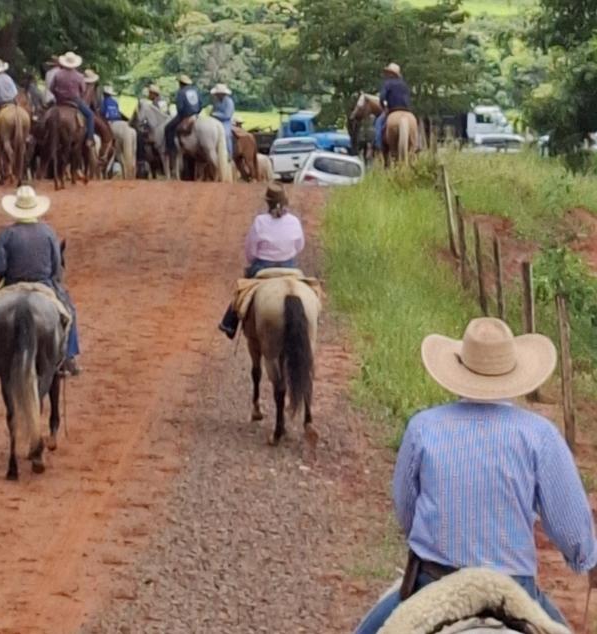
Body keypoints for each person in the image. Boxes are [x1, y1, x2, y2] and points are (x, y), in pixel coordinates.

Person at [355, 317, 597, 633]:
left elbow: (406, 508)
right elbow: (571, 526)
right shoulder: (540, 435)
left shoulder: (424, 427)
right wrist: (586, 560)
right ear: (514, 372)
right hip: (514, 590)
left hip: (434, 583)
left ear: (460, 368)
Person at [0, 186, 81, 375]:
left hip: (12, 285)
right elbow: (56, 267)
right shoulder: (48, 232)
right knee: (70, 312)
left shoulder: (7, 234)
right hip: (44, 284)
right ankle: (67, 357)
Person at [218, 183, 304, 339]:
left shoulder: (260, 221)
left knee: (242, 291)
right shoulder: (294, 221)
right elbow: (299, 246)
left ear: (267, 202)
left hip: (263, 267)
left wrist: (256, 260)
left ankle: (229, 323)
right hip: (290, 266)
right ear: (285, 201)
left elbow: (250, 251)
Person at [49, 51, 95, 145]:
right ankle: (90, 139)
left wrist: (58, 95)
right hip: (75, 101)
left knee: (44, 114)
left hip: (59, 101)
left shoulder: (58, 74)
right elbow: (83, 90)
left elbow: (52, 88)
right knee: (90, 115)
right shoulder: (79, 76)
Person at [375, 62, 411, 152]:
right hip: (406, 110)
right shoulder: (404, 85)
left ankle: (378, 145)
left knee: (378, 122)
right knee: (414, 123)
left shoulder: (387, 83)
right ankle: (417, 144)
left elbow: (382, 97)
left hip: (393, 110)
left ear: (391, 73)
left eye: (388, 72)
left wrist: (384, 107)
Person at [164, 75, 202, 160]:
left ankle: (171, 149)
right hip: (196, 115)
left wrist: (181, 115)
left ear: (181, 83)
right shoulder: (196, 90)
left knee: (168, 128)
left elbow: (180, 108)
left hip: (185, 115)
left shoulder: (181, 92)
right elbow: (200, 104)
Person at [210, 83, 235, 156]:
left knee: (226, 135)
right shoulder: (215, 101)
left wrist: (215, 114)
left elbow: (227, 115)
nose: (217, 95)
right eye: (217, 94)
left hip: (225, 122)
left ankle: (229, 154)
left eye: (219, 94)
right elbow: (213, 110)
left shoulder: (229, 102)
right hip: (215, 121)